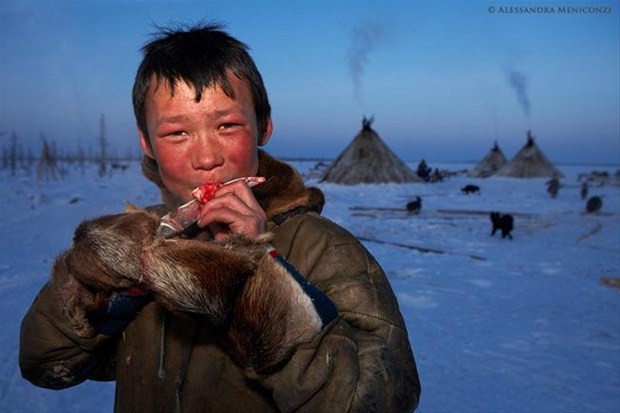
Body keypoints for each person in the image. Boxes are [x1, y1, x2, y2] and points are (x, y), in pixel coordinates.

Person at [19, 23, 420, 412]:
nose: (207, 157)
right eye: (177, 133)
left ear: (263, 127)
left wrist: (256, 285)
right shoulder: (143, 248)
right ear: (147, 144)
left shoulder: (324, 249)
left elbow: (380, 399)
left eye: (227, 125)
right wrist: (97, 280)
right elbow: (46, 366)